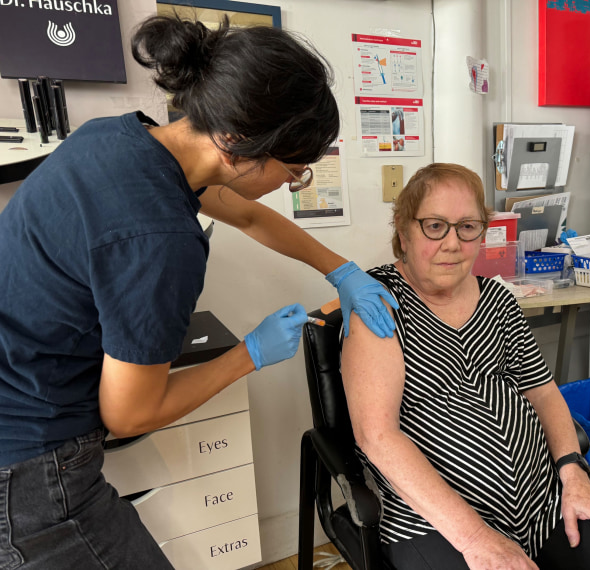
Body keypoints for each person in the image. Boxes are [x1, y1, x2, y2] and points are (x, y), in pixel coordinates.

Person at [0, 15, 397, 569]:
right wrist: (249, 355)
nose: (291, 184)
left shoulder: (121, 140)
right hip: (28, 471)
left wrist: (341, 269)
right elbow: (129, 415)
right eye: (294, 171)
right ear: (235, 144)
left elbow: (246, 215)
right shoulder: (163, 240)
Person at [341, 163, 590, 569]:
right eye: (435, 226)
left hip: (541, 502)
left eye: (468, 227)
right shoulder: (378, 304)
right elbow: (377, 437)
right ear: (404, 230)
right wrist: (476, 537)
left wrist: (573, 472)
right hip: (436, 521)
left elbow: (543, 392)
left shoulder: (497, 299)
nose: (453, 243)